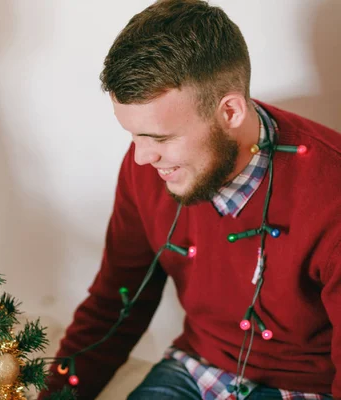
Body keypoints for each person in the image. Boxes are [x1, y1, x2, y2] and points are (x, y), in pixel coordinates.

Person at [43, 0, 341, 399]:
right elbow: (114, 304)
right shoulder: (148, 169)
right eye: (133, 135)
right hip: (195, 369)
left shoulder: (331, 192)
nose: (141, 157)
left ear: (230, 112)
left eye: (160, 138)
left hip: (302, 388)